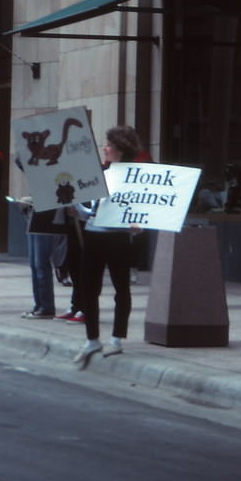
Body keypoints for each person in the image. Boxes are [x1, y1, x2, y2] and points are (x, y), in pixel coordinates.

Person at [71, 125, 145, 369]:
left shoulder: (134, 176)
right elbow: (90, 209)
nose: (105, 148)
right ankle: (92, 339)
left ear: (121, 150)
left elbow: (144, 208)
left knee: (121, 287)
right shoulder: (99, 173)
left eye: (109, 145)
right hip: (94, 234)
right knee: (88, 288)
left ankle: (116, 338)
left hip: (118, 237)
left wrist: (138, 225)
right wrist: (76, 209)